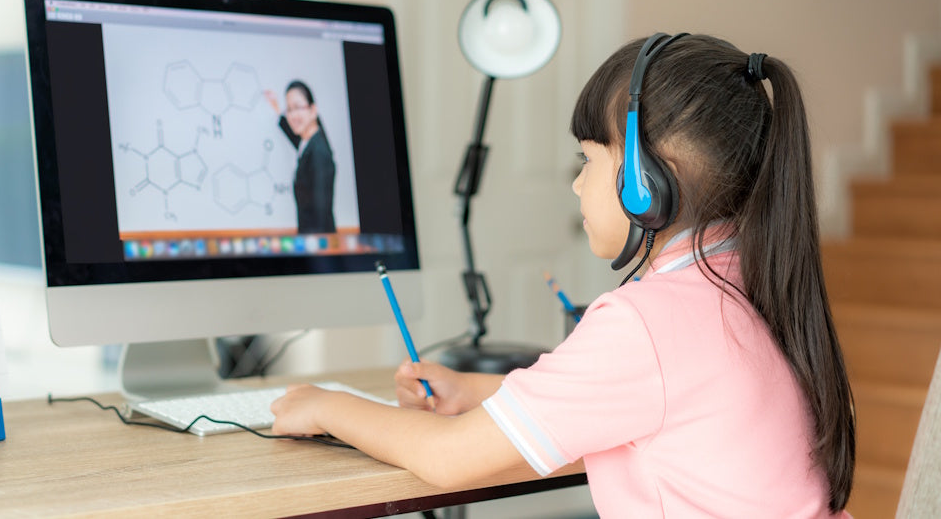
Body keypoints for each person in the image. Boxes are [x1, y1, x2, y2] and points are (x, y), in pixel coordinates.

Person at [271, 34, 856, 517]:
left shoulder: (645, 323)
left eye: (587, 159)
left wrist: (326, 406)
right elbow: (641, 412)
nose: (577, 184)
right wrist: (476, 393)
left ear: (644, 180)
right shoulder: (744, 283)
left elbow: (449, 459)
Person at [266, 80, 336, 233]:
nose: (292, 115)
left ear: (313, 110)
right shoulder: (308, 142)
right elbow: (295, 137)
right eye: (289, 109)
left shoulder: (318, 154)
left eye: (297, 107)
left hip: (319, 245)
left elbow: (320, 216)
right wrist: (278, 109)